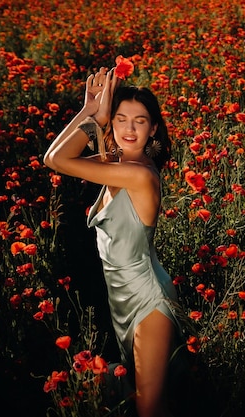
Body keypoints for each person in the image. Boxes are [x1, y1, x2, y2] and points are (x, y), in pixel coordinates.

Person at [44, 66, 183, 417]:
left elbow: (58, 160)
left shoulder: (137, 174)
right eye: (120, 119)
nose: (129, 128)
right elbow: (55, 158)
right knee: (141, 397)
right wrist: (90, 112)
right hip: (122, 299)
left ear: (153, 128)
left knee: (148, 408)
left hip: (148, 302)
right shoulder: (117, 160)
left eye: (139, 121)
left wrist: (96, 116)